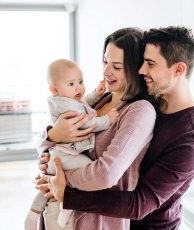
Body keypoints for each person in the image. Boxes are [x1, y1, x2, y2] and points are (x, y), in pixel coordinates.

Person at [37, 26, 194, 229]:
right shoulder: (122, 98)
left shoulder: (192, 137)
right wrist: (51, 137)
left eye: (150, 64)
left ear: (179, 70)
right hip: (86, 214)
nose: (142, 70)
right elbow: (69, 134)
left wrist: (63, 186)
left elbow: (139, 203)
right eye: (105, 61)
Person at [35, 27, 157, 229]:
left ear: (136, 69)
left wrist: (58, 181)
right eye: (105, 61)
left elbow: (106, 174)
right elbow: (48, 138)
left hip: (97, 220)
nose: (106, 71)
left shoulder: (139, 111)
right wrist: (51, 135)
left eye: (116, 66)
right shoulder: (97, 101)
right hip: (60, 210)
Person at [24, 59, 120, 230]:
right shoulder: (63, 104)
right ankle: (63, 208)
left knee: (50, 188)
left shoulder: (69, 99)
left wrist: (96, 95)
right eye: (71, 84)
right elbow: (85, 122)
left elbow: (83, 103)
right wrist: (107, 120)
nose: (79, 88)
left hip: (62, 153)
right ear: (55, 89)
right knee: (90, 168)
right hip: (63, 155)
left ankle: (34, 212)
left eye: (80, 82)